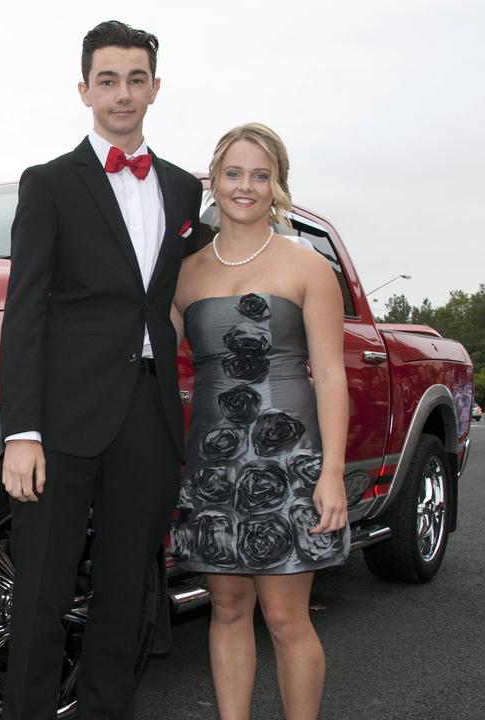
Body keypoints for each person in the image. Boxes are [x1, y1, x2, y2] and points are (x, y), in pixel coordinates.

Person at [0, 19, 203, 720]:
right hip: (61, 420)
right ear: (85, 89)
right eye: (108, 79)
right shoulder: (50, 183)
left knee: (125, 595)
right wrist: (21, 430)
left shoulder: (181, 190)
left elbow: (179, 292)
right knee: (42, 596)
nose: (123, 93)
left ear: (155, 87)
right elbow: (23, 311)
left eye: (136, 78)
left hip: (148, 414)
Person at [168, 123, 349, 720]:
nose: (246, 186)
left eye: (261, 175)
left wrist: (332, 475)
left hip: (288, 458)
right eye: (234, 173)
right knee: (225, 608)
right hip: (213, 460)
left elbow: (330, 373)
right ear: (214, 181)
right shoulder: (185, 274)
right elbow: (147, 360)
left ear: (278, 186)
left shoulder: (307, 267)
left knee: (284, 616)